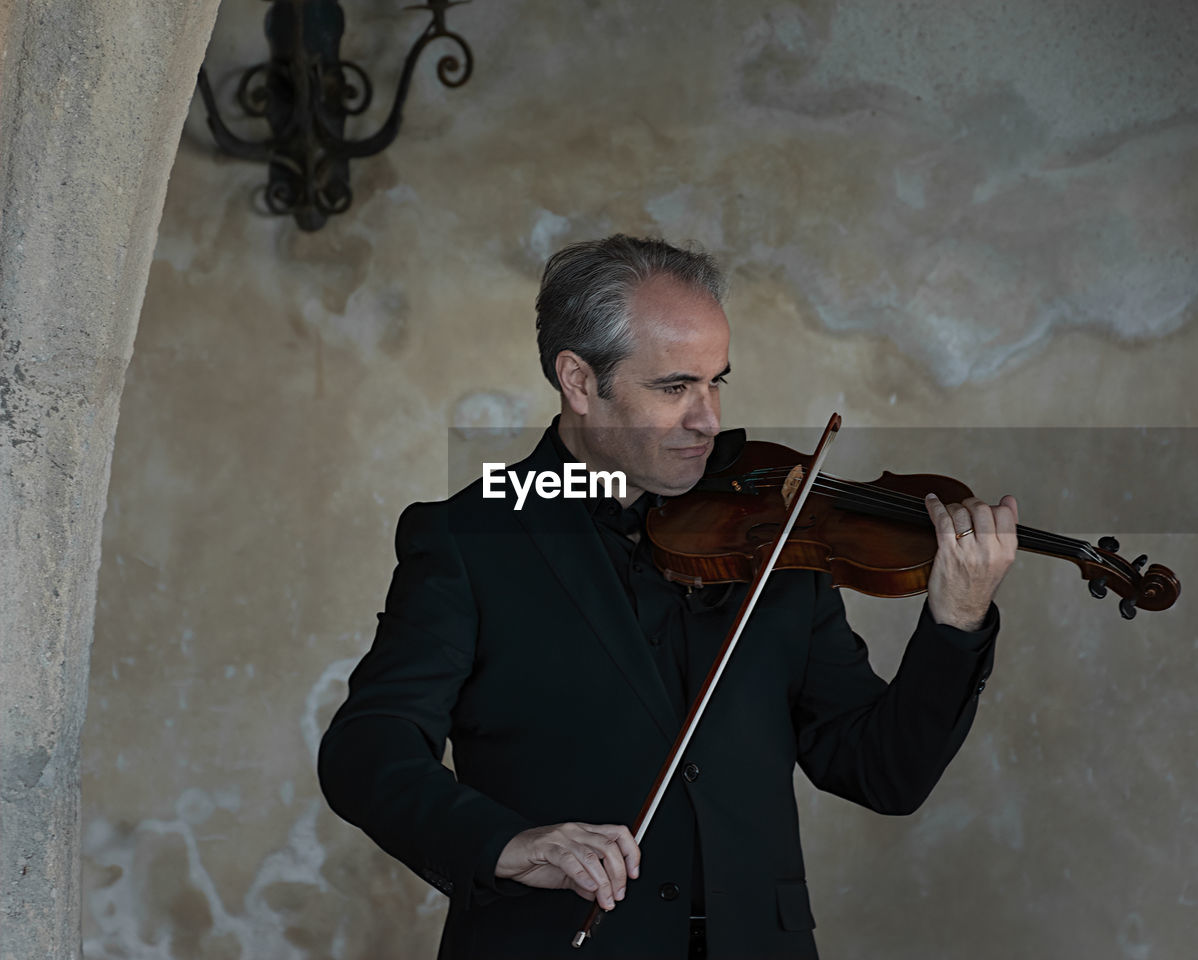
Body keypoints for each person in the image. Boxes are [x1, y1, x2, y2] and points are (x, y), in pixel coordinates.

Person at [317, 235, 1018, 960]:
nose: (708, 420)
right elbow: (368, 750)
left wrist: (955, 621)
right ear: (580, 381)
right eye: (674, 387)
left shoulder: (778, 532)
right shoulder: (472, 535)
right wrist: (509, 843)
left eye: (718, 382)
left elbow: (883, 771)